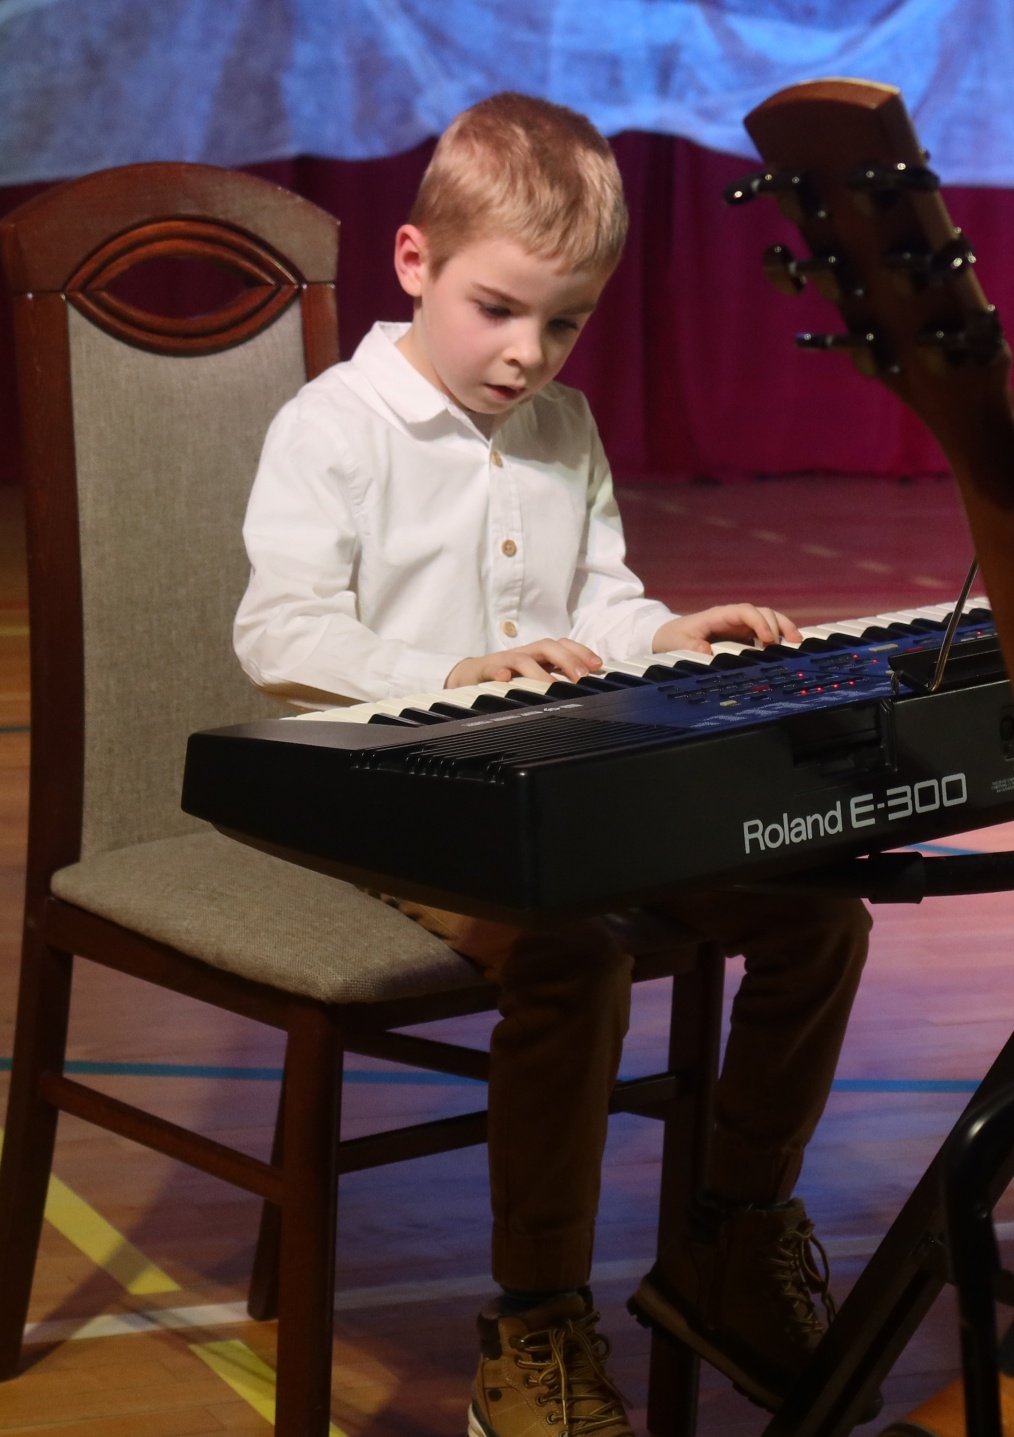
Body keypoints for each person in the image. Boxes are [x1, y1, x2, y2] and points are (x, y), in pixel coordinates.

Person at [233, 93, 871, 1437]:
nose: (529, 353)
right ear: (415, 263)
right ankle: (533, 1326)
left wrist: (666, 634)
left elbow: (600, 607)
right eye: (499, 309)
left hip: (562, 794)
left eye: (566, 322)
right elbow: (279, 634)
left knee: (818, 913)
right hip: (387, 803)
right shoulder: (333, 426)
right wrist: (453, 675)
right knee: (573, 955)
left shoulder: (562, 431)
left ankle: (732, 1236)